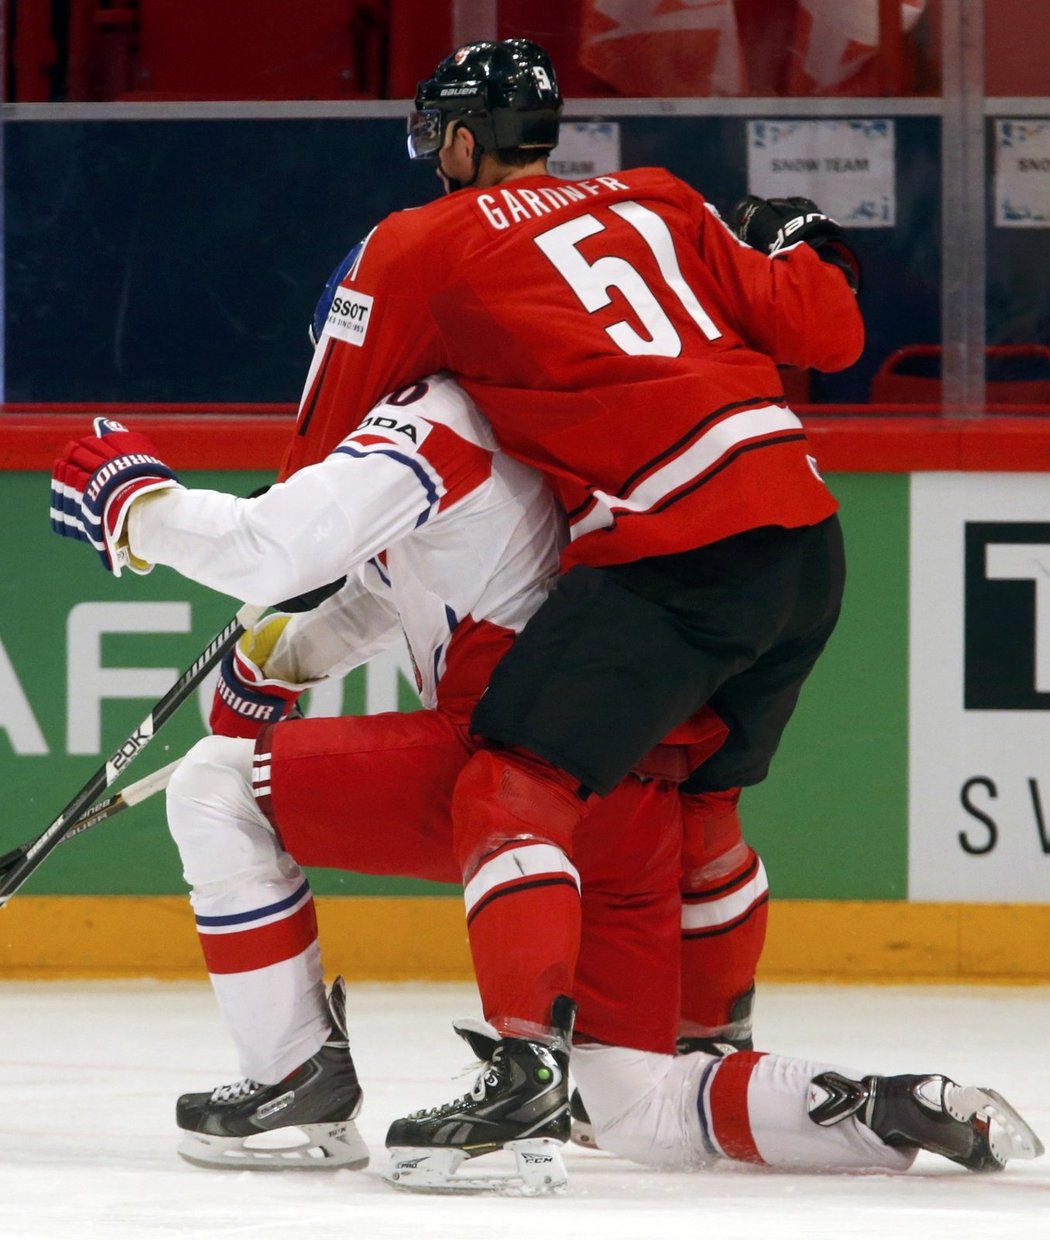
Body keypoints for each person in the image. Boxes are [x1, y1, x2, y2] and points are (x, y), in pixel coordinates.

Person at [49, 381, 1042, 1191]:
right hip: (632, 794)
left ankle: (294, 1082)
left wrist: (138, 506)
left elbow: (271, 546)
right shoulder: (548, 421)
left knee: (215, 788)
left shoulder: (428, 421)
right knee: (634, 1103)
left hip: (522, 765)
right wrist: (283, 657)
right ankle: (879, 1105)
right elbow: (402, 586)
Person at [268, 36, 864, 1159]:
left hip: (680, 548)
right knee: (704, 805)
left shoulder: (416, 243)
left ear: (453, 140)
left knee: (511, 777)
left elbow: (317, 470)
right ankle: (715, 1047)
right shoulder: (661, 196)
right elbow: (829, 332)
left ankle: (522, 1066)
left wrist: (288, 547)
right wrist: (810, 247)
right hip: (809, 541)